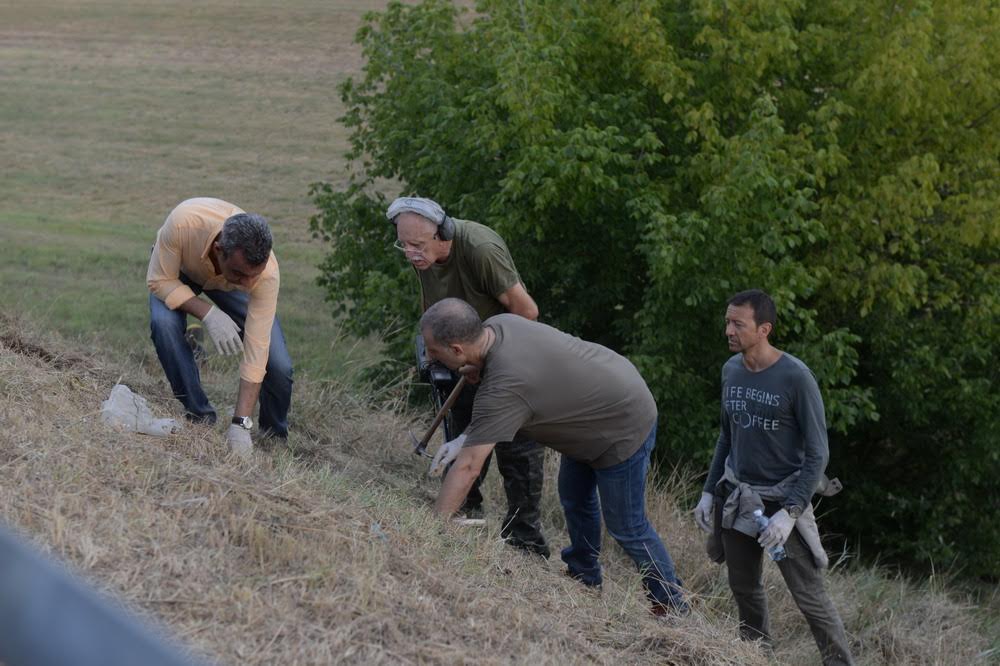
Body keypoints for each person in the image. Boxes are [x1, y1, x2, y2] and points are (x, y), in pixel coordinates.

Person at [421, 298, 687, 615]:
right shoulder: (501, 325)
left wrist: (434, 529)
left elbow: (467, 467)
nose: (429, 357)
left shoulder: (506, 386)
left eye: (434, 351)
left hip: (623, 422)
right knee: (574, 496)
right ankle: (584, 575)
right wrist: (477, 377)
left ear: (457, 349)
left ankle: (671, 604)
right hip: (600, 397)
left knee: (627, 526)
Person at [693, 289, 853, 664]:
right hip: (739, 497)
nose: (728, 330)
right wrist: (707, 492)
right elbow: (727, 436)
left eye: (738, 324)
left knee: (810, 599)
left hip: (782, 505)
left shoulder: (795, 377)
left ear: (764, 329)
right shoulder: (730, 370)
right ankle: (755, 657)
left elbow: (818, 453)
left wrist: (791, 511)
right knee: (744, 589)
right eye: (727, 321)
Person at [387, 196, 549, 558]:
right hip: (464, 356)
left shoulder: (480, 249)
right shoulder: (422, 255)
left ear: (442, 234)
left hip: (510, 355)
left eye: (418, 245)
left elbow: (527, 311)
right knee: (460, 427)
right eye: (404, 244)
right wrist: (435, 350)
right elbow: (433, 305)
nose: (411, 253)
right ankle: (464, 511)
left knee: (516, 448)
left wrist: (491, 358)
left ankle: (525, 540)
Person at [147, 198, 293, 456]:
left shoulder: (265, 274)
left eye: (254, 275)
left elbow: (257, 347)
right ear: (218, 250)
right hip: (178, 271)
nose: (248, 284)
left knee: (278, 363)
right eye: (240, 273)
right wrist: (208, 313)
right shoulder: (183, 223)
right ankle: (199, 416)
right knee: (164, 325)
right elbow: (159, 280)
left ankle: (273, 437)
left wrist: (240, 423)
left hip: (225, 284)